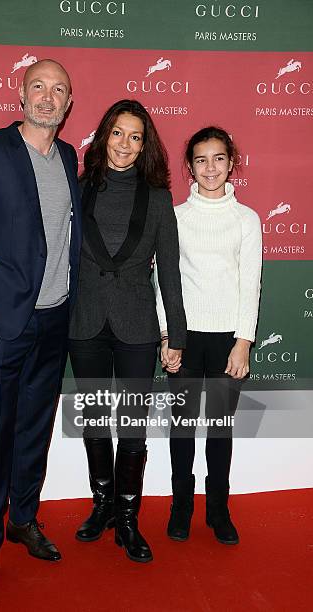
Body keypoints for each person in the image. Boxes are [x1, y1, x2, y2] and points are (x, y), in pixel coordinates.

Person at [0, 59, 82, 599]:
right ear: (21, 93)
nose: (48, 98)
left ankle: (23, 520)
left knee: (35, 430)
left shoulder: (70, 157)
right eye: (39, 88)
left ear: (69, 104)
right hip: (1, 321)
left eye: (59, 91)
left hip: (55, 317)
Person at [68, 99, 186, 563]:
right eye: (117, 133)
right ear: (103, 136)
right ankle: (102, 508)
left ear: (145, 145)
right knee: (96, 420)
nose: (124, 144)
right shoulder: (79, 188)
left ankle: (129, 518)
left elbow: (172, 273)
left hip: (138, 326)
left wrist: (174, 336)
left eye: (135, 136)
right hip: (85, 322)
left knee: (132, 426)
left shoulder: (158, 199)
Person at [155, 126, 262, 545]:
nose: (211, 167)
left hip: (227, 341)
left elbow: (250, 283)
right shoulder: (175, 217)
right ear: (189, 167)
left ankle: (219, 509)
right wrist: (167, 336)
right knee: (181, 428)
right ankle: (181, 505)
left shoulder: (247, 220)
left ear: (231, 162)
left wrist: (243, 342)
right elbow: (167, 282)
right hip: (183, 337)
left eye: (219, 158)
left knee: (219, 428)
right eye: (201, 159)